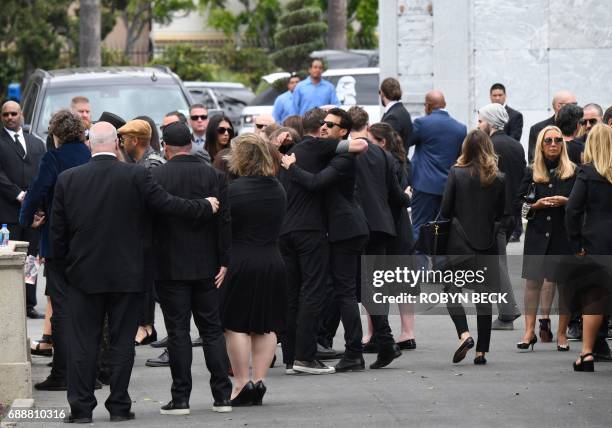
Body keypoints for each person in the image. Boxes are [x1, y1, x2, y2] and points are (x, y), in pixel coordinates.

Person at [51, 121, 218, 423]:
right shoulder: (136, 175)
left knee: (84, 343)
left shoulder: (68, 179)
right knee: (122, 342)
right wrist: (203, 206)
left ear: (90, 143)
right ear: (116, 143)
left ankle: (81, 408)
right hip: (127, 274)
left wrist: (65, 271)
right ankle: (119, 405)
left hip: (84, 274)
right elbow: (168, 206)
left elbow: (58, 235)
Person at [278, 107, 367, 375]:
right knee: (323, 292)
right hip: (321, 230)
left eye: (331, 124)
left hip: (344, 230)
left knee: (342, 292)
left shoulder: (333, 156)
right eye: (323, 124)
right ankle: (299, 357)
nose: (326, 127)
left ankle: (352, 352)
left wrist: (291, 165)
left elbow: (318, 182)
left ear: (343, 132)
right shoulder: (318, 150)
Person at [151, 122, 232, 415]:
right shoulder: (214, 175)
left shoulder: (156, 176)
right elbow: (225, 221)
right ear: (190, 144)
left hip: (170, 265)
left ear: (166, 146)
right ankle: (222, 395)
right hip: (208, 264)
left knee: (178, 332)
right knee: (212, 330)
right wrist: (225, 260)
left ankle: (181, 397)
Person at [19, 109, 91, 391]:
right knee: (87, 309)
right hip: (89, 243)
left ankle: (62, 372)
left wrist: (27, 219)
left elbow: (38, 190)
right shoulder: (88, 155)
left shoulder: (53, 158)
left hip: (59, 242)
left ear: (56, 134)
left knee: (61, 309)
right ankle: (90, 371)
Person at [221, 133, 287, 405]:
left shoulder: (232, 191)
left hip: (240, 260)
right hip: (273, 259)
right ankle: (259, 381)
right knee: (266, 325)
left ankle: (240, 383)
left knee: (235, 324)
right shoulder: (278, 189)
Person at [351, 107, 411, 368]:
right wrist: (407, 197)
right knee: (373, 286)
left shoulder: (346, 153)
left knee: (361, 287)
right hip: (382, 228)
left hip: (357, 227)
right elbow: (396, 194)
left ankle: (376, 340)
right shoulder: (382, 155)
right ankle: (384, 341)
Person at [441, 129, 506, 365]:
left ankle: (464, 334)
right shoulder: (499, 178)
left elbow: (446, 209)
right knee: (484, 296)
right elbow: (502, 214)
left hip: (458, 243)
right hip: (487, 243)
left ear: (465, 148)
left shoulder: (456, 173)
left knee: (451, 290)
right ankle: (482, 352)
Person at [515, 125, 576, 353]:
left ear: (563, 144)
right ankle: (529, 331)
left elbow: (582, 205)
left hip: (563, 236)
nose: (553, 144)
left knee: (565, 286)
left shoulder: (573, 171)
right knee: (532, 283)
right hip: (538, 235)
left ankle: (561, 333)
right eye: (548, 140)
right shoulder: (531, 171)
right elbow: (518, 207)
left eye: (557, 140)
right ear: (541, 144)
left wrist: (567, 202)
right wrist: (535, 206)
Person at [565, 124, 612, 372]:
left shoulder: (588, 173)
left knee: (594, 299)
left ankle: (586, 354)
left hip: (596, 242)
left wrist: (576, 244)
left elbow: (572, 209)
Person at [367, 121, 417, 350]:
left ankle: (373, 333)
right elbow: (404, 194)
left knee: (376, 282)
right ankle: (408, 332)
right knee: (402, 282)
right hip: (401, 227)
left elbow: (393, 196)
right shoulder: (403, 162)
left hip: (384, 227)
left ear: (381, 142)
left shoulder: (380, 163)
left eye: (370, 140)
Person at [476, 103, 524, 330]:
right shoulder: (516, 146)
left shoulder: (489, 146)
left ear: (490, 122)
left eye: (480, 121)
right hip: (510, 212)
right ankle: (506, 313)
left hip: (493, 214)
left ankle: (507, 312)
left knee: (496, 264)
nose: (477, 125)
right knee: (498, 262)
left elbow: (485, 183)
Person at [118, 119, 165, 347]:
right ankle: (144, 326)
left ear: (134, 140)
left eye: (124, 139)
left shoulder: (152, 164)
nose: (121, 143)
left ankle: (146, 327)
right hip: (143, 235)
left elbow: (154, 202)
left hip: (152, 236)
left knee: (149, 283)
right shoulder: (138, 162)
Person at [0, 100, 46, 319]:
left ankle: (28, 303)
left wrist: (39, 202)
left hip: (33, 214)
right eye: (6, 114)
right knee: (9, 257)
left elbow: (43, 172)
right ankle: (8, 301)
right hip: (7, 213)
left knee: (30, 259)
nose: (10, 117)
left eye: (14, 113)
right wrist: (19, 195)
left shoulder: (35, 143)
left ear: (22, 115)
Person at [407, 91, 466, 243]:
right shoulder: (460, 128)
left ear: (428, 106)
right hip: (448, 188)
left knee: (420, 229)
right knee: (442, 231)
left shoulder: (422, 123)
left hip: (424, 186)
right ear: (444, 105)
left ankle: (421, 267)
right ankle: (439, 266)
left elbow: (406, 142)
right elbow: (460, 157)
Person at [528, 90, 576, 163]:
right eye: (572, 105)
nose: (576, 109)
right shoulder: (538, 129)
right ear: (558, 106)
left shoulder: (580, 127)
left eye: (576, 104)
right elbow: (533, 160)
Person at [380, 77, 413, 152]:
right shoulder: (402, 111)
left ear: (382, 93)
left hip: (395, 162)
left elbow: (387, 146)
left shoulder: (393, 116)